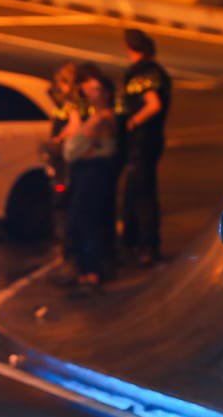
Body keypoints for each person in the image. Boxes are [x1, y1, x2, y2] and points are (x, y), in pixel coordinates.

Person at [117, 27, 171, 267]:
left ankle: (147, 245)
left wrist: (132, 121)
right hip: (150, 140)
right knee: (135, 192)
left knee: (141, 194)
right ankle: (134, 242)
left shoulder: (142, 74)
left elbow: (153, 104)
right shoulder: (158, 71)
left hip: (142, 141)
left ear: (129, 48)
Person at [62, 64, 119, 290]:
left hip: (95, 174)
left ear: (105, 93)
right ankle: (85, 269)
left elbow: (74, 150)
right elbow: (73, 151)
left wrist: (84, 134)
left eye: (96, 89)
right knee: (78, 222)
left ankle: (92, 271)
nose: (89, 92)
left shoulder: (105, 117)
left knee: (87, 221)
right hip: (82, 172)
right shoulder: (89, 115)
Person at [44, 62, 85, 271]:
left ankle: (70, 252)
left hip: (67, 160)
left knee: (64, 204)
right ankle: (68, 250)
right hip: (61, 159)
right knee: (62, 204)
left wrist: (59, 138)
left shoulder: (74, 102)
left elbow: (75, 125)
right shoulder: (65, 102)